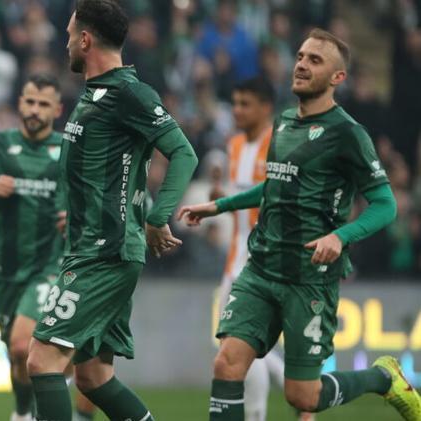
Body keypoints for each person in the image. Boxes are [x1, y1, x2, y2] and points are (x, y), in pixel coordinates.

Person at [178, 29, 421, 421]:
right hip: (261, 268)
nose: (302, 65)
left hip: (308, 278)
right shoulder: (285, 122)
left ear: (338, 77)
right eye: (301, 57)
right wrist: (219, 205)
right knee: (227, 364)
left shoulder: (348, 134)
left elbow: (385, 204)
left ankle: (382, 377)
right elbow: (276, 187)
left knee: (303, 396)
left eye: (315, 60)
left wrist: (340, 236)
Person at [25, 1, 198, 420]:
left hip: (103, 252)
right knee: (94, 377)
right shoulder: (96, 93)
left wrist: (157, 218)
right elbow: (124, 173)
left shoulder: (128, 92)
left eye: (70, 35)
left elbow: (184, 154)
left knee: (42, 360)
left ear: (85, 40)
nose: (66, 43)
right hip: (94, 246)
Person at [0, 73, 96, 421]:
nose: (35, 110)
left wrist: (78, 217)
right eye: (30, 102)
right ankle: (24, 411)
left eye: (43, 104)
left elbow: (95, 198)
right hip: (5, 267)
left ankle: (42, 405)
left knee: (24, 346)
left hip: (50, 265)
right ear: (20, 104)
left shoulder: (69, 149)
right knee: (15, 354)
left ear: (57, 109)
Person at [216, 77, 314, 421]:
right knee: (234, 346)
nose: (237, 111)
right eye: (235, 103)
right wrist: (219, 199)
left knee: (241, 345)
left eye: (245, 104)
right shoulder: (233, 146)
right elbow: (240, 202)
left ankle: (261, 412)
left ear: (266, 108)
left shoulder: (280, 145)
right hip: (234, 262)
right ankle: (303, 401)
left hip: (267, 264)